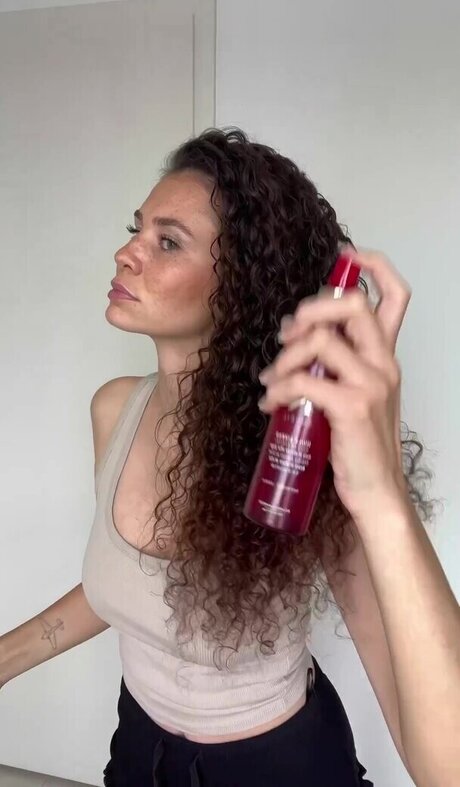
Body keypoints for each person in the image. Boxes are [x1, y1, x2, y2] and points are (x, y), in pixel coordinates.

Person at [1, 128, 459, 787]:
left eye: (167, 241)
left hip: (278, 767)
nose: (126, 253)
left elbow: (446, 767)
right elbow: (130, 589)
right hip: (139, 752)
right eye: (136, 229)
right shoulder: (114, 410)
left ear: (240, 284)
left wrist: (381, 490)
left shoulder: (302, 461)